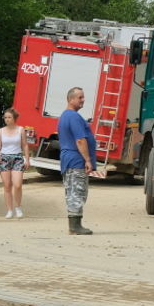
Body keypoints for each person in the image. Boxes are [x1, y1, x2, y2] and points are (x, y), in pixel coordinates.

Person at [57, 87, 103, 235]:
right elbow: (80, 140)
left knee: (72, 191)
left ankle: (75, 224)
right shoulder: (74, 117)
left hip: (68, 159)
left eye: (83, 97)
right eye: (80, 98)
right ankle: (75, 226)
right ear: (71, 99)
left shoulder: (65, 116)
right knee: (77, 192)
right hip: (76, 160)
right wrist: (88, 160)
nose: (83, 100)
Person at [0, 107, 28, 219]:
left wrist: (27, 159)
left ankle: (18, 207)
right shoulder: (1, 131)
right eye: (5, 117)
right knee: (7, 186)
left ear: (14, 118)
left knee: (17, 184)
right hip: (4, 158)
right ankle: (9, 210)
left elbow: (25, 145)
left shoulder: (20, 130)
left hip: (17, 157)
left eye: (9, 117)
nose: (7, 119)